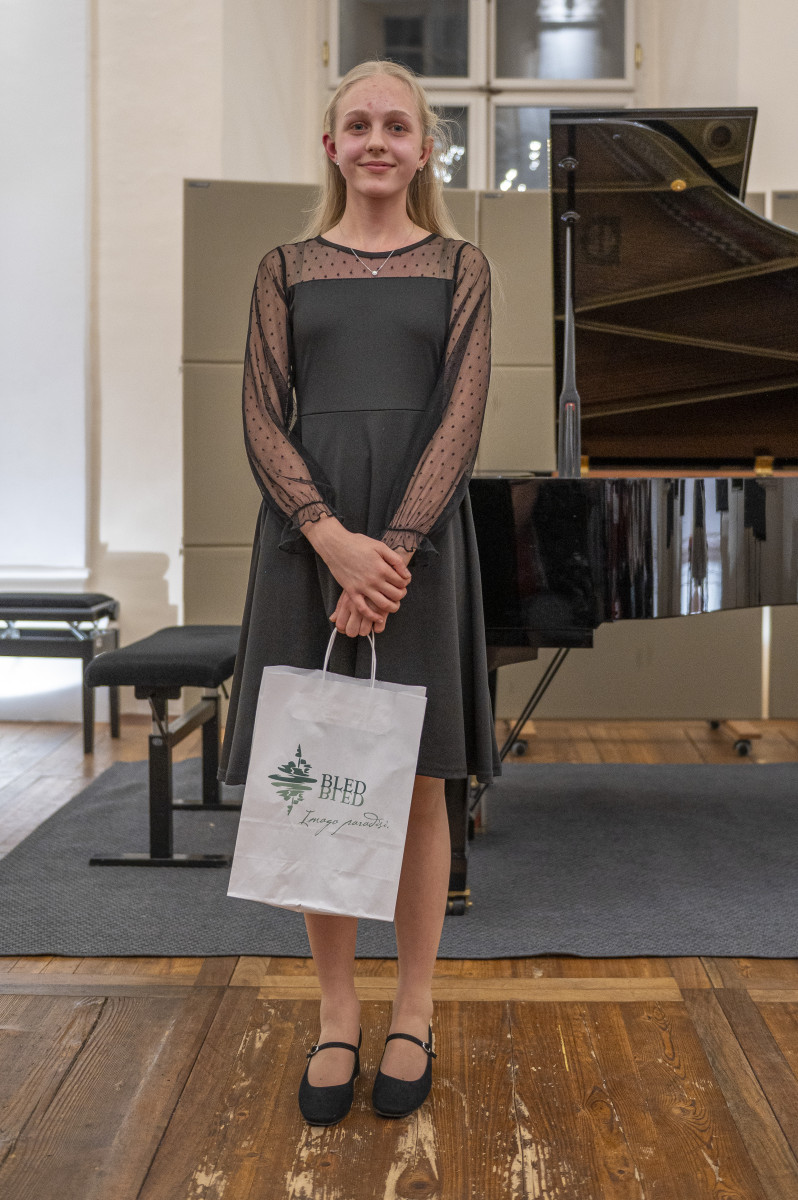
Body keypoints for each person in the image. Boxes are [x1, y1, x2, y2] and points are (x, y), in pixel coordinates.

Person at [218, 58, 499, 1125]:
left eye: (397, 126)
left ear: (424, 148)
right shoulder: (283, 268)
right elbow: (261, 413)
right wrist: (333, 541)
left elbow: (462, 419)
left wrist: (392, 554)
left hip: (419, 546)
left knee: (420, 782)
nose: (377, 141)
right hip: (308, 540)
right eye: (358, 125)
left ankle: (414, 1007)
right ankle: (338, 1010)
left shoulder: (461, 267)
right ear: (331, 146)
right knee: (317, 778)